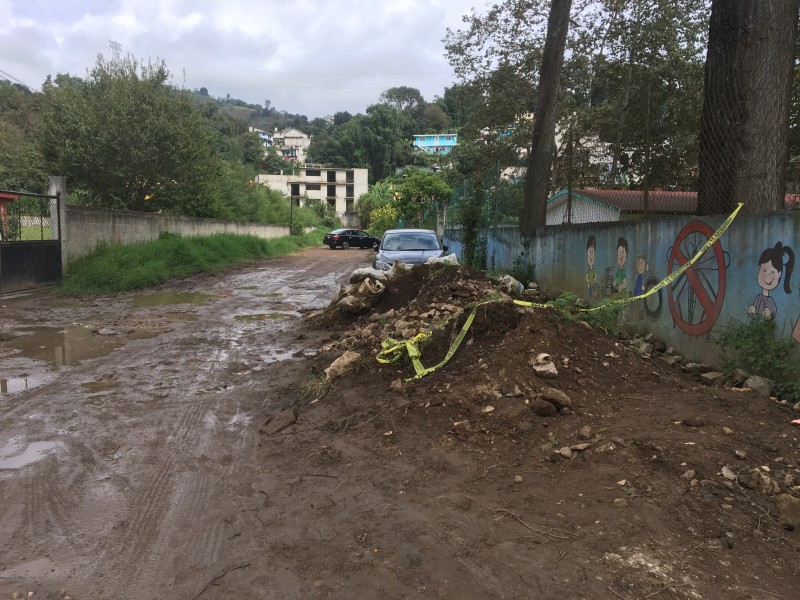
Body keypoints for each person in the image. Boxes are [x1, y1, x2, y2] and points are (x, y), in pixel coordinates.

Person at [748, 242, 794, 319]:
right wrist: (752, 310)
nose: (767, 276)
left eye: (772, 272)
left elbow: (772, 315)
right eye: (764, 270)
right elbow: (753, 314)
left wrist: (768, 314)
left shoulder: (770, 301)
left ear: (779, 274)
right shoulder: (758, 298)